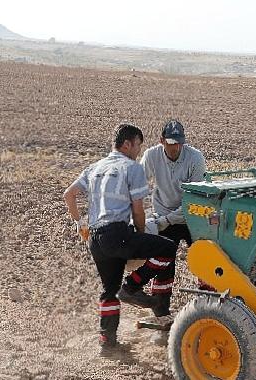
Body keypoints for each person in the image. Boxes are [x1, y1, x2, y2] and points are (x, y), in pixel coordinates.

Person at [63, 123, 178, 351]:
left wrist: (80, 223)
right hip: (117, 233)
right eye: (137, 146)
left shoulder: (94, 167)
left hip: (95, 238)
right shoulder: (131, 168)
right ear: (127, 144)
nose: (138, 151)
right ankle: (132, 287)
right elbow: (138, 210)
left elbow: (69, 194)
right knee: (167, 249)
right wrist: (142, 236)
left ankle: (107, 340)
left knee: (108, 288)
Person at [141, 120, 206, 247]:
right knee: (163, 263)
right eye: (171, 143)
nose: (176, 147)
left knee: (202, 260)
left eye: (179, 143)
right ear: (162, 140)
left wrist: (167, 220)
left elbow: (196, 200)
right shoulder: (151, 156)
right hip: (163, 214)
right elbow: (137, 185)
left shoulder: (196, 158)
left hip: (191, 216)